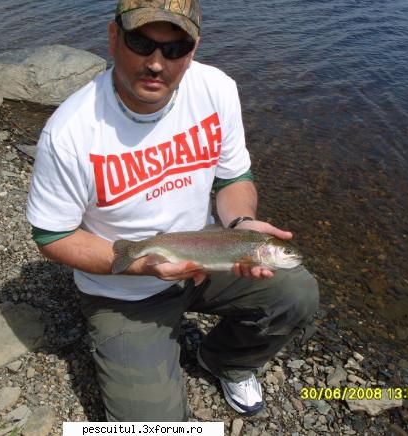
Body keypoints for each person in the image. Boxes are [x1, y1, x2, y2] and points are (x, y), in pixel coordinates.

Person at [26, 0, 319, 422]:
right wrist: (141, 265)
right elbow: (52, 237)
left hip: (206, 258)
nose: (156, 63)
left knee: (297, 292)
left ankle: (226, 361)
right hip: (124, 292)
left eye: (174, 48)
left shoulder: (216, 89)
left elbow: (233, 179)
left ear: (193, 49)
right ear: (113, 37)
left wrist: (241, 223)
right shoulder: (70, 131)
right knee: (152, 428)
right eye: (141, 43)